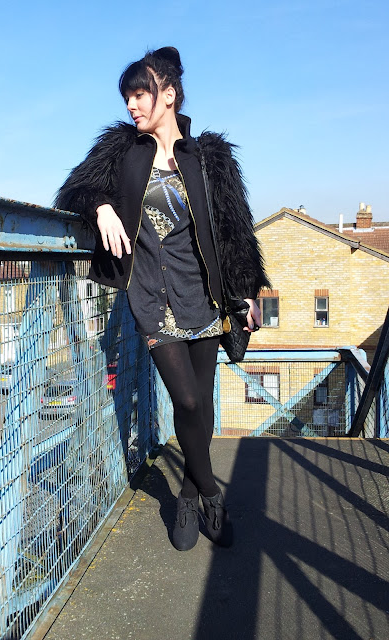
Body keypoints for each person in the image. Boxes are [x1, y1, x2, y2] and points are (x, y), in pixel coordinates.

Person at [55, 47, 270, 551]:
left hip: (205, 296)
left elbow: (235, 229)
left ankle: (189, 496)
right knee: (186, 399)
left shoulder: (210, 157)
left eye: (140, 94)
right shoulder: (121, 150)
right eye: (127, 97)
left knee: (202, 404)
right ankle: (212, 494)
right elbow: (74, 190)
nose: (132, 105)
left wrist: (246, 292)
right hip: (152, 295)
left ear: (168, 95)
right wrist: (101, 207)